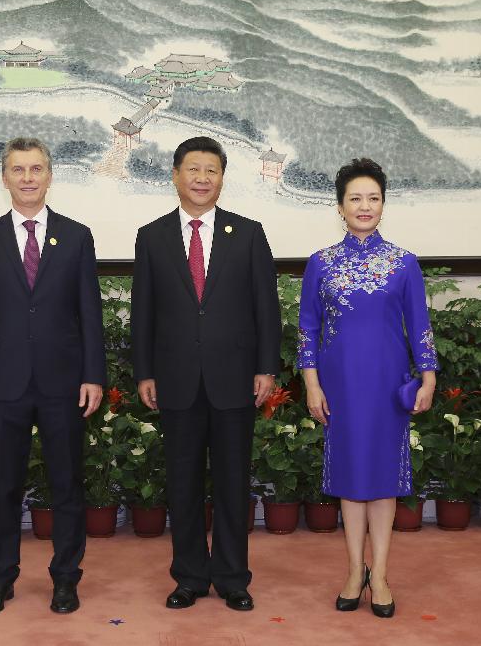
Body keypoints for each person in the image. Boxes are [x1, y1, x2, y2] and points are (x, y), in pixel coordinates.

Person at [131, 136, 281, 612]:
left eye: (211, 170)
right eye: (192, 169)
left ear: (221, 178)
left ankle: (233, 577)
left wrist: (265, 367)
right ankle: (190, 576)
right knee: (183, 483)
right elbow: (143, 312)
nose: (201, 178)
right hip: (176, 379)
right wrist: (144, 372)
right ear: (175, 175)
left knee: (234, 484)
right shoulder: (151, 236)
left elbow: (266, 310)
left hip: (235, 378)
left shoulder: (249, 233)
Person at [0, 137, 106, 616]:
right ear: (4, 178)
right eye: (18, 169)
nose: (27, 177)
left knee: (67, 485)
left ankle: (66, 579)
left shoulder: (77, 235)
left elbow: (89, 312)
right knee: (2, 487)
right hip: (1, 383)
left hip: (64, 381)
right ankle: (0, 578)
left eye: (36, 169)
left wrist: (92, 375)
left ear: (49, 176)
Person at [296, 157, 438, 619]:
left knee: (383, 482)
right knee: (349, 480)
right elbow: (307, 330)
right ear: (339, 206)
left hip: (386, 385)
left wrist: (429, 376)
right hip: (339, 387)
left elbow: (420, 325)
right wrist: (311, 385)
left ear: (383, 204)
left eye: (373, 198)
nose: (364, 206)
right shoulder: (320, 263)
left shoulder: (404, 262)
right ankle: (354, 571)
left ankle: (380, 574)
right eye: (355, 198)